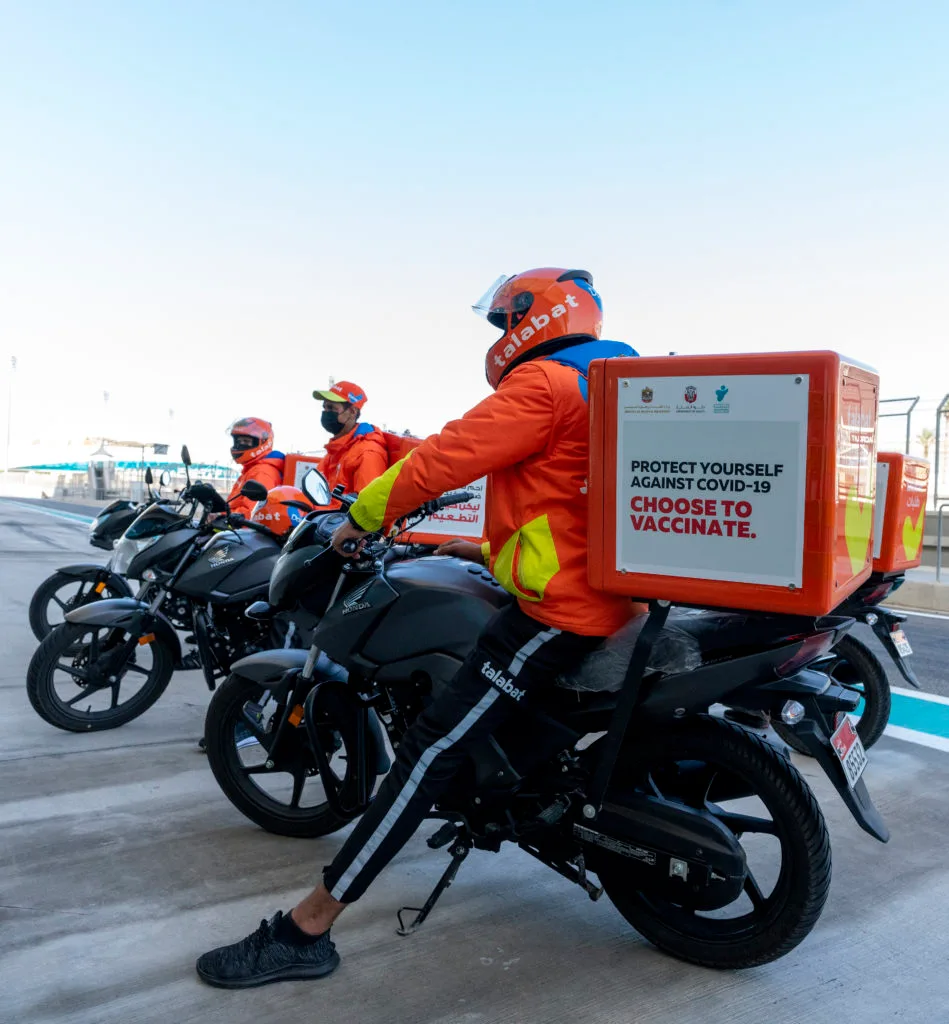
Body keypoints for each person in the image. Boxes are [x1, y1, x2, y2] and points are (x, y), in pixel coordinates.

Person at [196, 268, 642, 989]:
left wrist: (359, 517)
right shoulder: (611, 383)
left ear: (531, 319)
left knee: (428, 750)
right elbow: (573, 502)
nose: (499, 335)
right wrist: (485, 549)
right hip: (613, 596)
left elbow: (443, 458)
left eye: (502, 321)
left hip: (562, 613)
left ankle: (307, 929)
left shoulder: (546, 383)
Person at [313, 381, 389, 498]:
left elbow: (366, 504)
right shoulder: (335, 451)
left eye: (332, 408)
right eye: (325, 407)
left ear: (353, 412)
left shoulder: (367, 453)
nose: (326, 412)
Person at [226, 418, 285, 518]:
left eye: (246, 441)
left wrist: (224, 518)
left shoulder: (262, 472)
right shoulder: (251, 469)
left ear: (262, 442)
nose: (240, 445)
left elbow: (252, 513)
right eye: (238, 441)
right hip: (235, 523)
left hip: (240, 526)